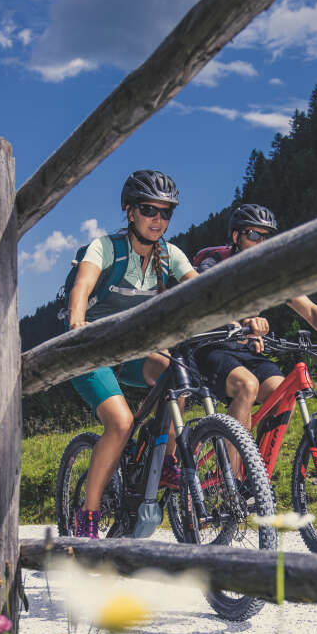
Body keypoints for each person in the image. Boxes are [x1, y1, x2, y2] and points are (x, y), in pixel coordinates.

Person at [65, 170, 198, 538]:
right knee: (121, 423)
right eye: (148, 209)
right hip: (90, 350)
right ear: (130, 212)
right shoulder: (105, 248)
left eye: (165, 212)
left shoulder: (170, 256)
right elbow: (83, 284)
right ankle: (88, 516)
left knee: (178, 376)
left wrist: (241, 318)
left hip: (134, 350)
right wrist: (77, 324)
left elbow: (205, 289)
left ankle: (165, 459)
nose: (158, 219)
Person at [191, 204, 317, 433]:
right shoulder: (215, 260)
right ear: (236, 235)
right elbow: (206, 298)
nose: (260, 242)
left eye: (265, 237)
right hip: (211, 346)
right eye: (253, 235)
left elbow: (310, 310)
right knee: (247, 386)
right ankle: (234, 470)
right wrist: (242, 322)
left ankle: (258, 465)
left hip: (247, 349)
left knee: (282, 393)